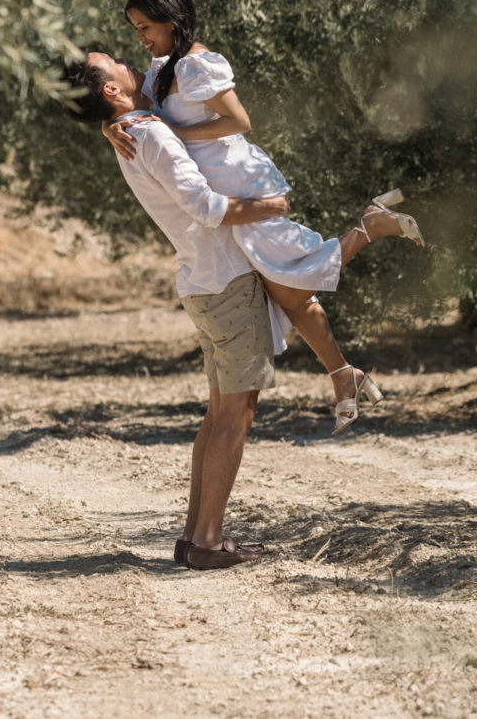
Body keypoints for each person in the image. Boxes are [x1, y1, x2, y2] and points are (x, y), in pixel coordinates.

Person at [64, 47, 421, 571]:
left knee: (218, 415)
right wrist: (271, 206)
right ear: (111, 91)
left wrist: (103, 125)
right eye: (112, 59)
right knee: (235, 414)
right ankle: (206, 542)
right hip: (225, 285)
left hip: (207, 282)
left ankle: (194, 538)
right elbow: (207, 208)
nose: (124, 56)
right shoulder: (152, 134)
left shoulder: (136, 129)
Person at [100, 0, 424, 431]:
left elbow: (239, 120)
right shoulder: (161, 68)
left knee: (288, 287)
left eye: (144, 26)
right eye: (135, 28)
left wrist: (177, 136)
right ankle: (343, 374)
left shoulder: (196, 66)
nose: (139, 37)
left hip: (246, 187)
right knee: (284, 289)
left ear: (171, 21)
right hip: (226, 197)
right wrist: (107, 126)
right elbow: (139, 113)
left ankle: (371, 226)